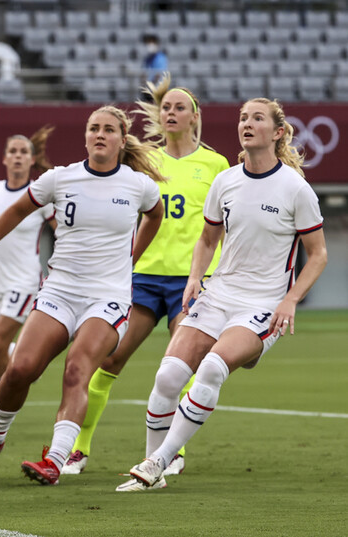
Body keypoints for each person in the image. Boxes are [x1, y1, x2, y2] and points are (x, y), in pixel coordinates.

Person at [120, 99, 327, 492]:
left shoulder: (296, 189)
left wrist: (291, 299)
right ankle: (153, 470)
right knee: (167, 376)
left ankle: (158, 461)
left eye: (257, 118)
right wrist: (195, 277)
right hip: (218, 294)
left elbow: (318, 254)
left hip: (262, 305)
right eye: (243, 118)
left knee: (213, 368)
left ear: (278, 132)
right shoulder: (225, 181)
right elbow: (208, 237)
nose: (247, 124)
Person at [0, 106, 165, 486]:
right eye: (93, 129)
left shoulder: (139, 186)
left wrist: (133, 257)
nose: (99, 134)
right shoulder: (60, 179)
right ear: (85, 137)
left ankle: (54, 460)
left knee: (76, 370)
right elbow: (16, 212)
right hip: (60, 291)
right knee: (20, 369)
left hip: (108, 298)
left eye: (108, 130)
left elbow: (156, 215)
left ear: (121, 139)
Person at [61, 77, 229, 477]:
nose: (170, 113)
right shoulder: (143, 160)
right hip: (142, 277)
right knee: (110, 359)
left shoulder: (216, 164)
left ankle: (171, 451)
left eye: (178, 107)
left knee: (181, 365)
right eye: (165, 108)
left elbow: (222, 226)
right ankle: (78, 449)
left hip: (190, 282)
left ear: (195, 117)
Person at [0, 129, 56, 390]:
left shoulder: (38, 194)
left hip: (24, 281)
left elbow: (61, 231)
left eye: (23, 152)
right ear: (5, 159)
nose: (18, 156)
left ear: (31, 160)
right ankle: (25, 353)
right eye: (13, 152)